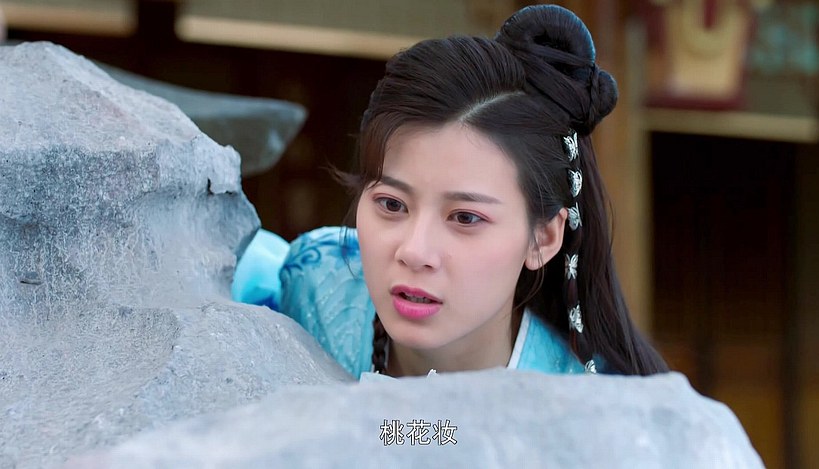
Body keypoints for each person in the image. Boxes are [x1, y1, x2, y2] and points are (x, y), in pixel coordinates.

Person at [233, 4, 668, 379]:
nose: (414, 252)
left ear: (544, 237)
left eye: (465, 217)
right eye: (391, 204)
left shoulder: (581, 412)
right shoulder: (312, 283)